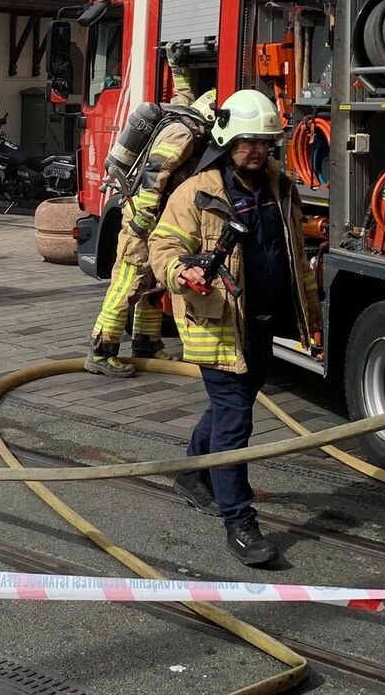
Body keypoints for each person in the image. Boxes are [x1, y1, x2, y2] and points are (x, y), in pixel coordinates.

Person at [148, 89, 322, 566]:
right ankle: (240, 524)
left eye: (265, 142)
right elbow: (161, 248)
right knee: (235, 418)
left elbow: (297, 259)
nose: (257, 150)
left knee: (236, 403)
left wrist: (312, 313)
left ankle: (192, 474)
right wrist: (182, 272)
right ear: (226, 139)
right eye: (248, 142)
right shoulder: (197, 192)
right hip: (217, 324)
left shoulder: (281, 187)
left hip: (261, 322)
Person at [86, 86, 217, 376]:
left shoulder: (187, 119)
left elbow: (184, 93)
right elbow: (155, 172)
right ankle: (101, 350)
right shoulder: (183, 134)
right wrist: (143, 217)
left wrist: (178, 70)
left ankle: (146, 345)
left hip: (156, 219)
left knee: (154, 285)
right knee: (128, 283)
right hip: (144, 219)